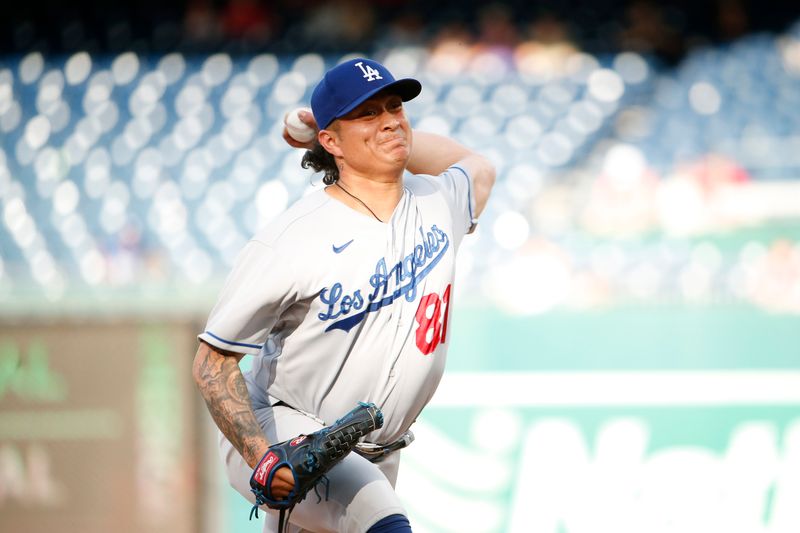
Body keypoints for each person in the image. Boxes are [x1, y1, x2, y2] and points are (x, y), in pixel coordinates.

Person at [192, 57, 495, 533]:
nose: (392, 119)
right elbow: (212, 364)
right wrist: (261, 457)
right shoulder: (291, 238)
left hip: (379, 449)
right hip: (289, 430)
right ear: (332, 142)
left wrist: (355, 134)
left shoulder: (438, 204)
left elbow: (477, 165)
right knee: (386, 525)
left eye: (395, 106)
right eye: (367, 113)